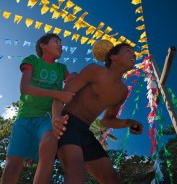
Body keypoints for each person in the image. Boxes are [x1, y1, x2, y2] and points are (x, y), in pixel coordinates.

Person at [51, 43, 144, 184]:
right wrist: (56, 118)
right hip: (67, 123)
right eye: (128, 51)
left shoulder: (122, 91)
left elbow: (107, 120)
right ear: (113, 57)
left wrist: (128, 122)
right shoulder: (94, 70)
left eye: (134, 54)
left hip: (86, 132)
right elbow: (61, 96)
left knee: (113, 179)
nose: (133, 55)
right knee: (77, 171)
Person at [0, 33, 75, 184]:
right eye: (56, 42)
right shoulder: (32, 60)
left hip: (46, 118)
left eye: (61, 43)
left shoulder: (62, 68)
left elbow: (72, 81)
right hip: (24, 118)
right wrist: (58, 94)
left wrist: (74, 77)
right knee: (13, 165)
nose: (60, 45)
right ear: (43, 45)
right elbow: (25, 88)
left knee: (50, 143)